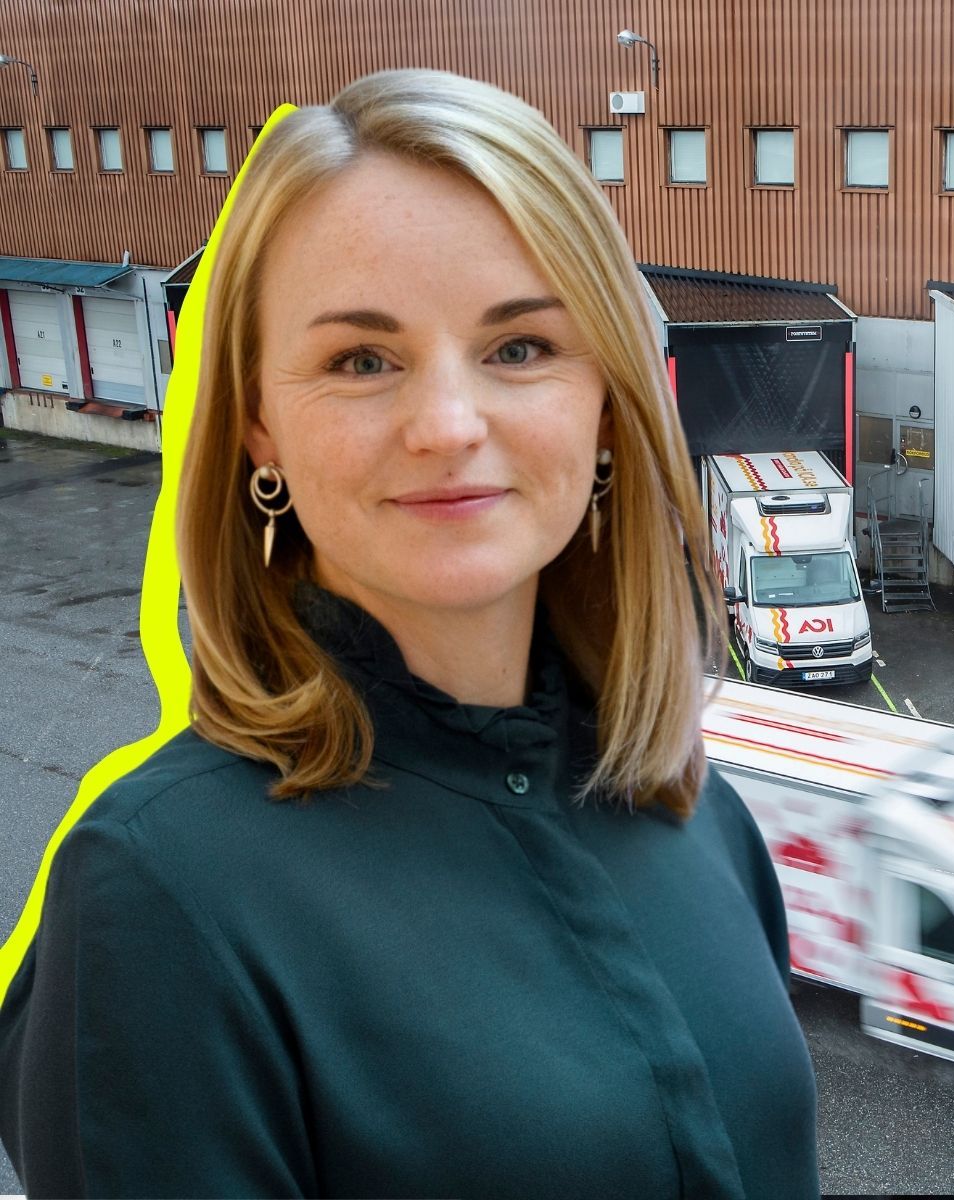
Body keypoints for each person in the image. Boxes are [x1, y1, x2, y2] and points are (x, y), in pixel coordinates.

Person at [0, 69, 819, 1198]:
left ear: (608, 406)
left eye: (520, 348)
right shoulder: (160, 900)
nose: (447, 425)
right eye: (361, 360)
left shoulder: (694, 812)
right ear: (256, 428)